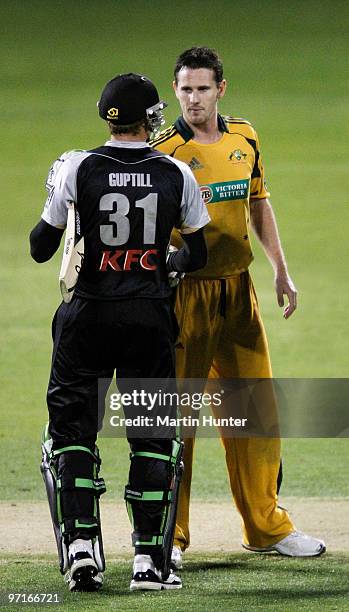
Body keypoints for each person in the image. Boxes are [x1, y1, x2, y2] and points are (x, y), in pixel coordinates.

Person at [30, 72, 210, 592]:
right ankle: (149, 564)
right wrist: (161, 261)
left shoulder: (76, 165)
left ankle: (82, 551)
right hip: (149, 318)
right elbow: (196, 256)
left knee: (70, 435)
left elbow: (41, 246)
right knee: (153, 438)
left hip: (86, 316)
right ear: (151, 117)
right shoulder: (176, 172)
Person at [151, 47, 326, 568]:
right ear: (175, 90)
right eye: (185, 89)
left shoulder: (244, 137)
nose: (194, 98)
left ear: (220, 89)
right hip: (186, 299)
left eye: (203, 88)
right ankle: (169, 536)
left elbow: (257, 202)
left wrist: (280, 269)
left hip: (239, 294)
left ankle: (266, 527)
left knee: (254, 414)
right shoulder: (166, 151)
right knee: (175, 421)